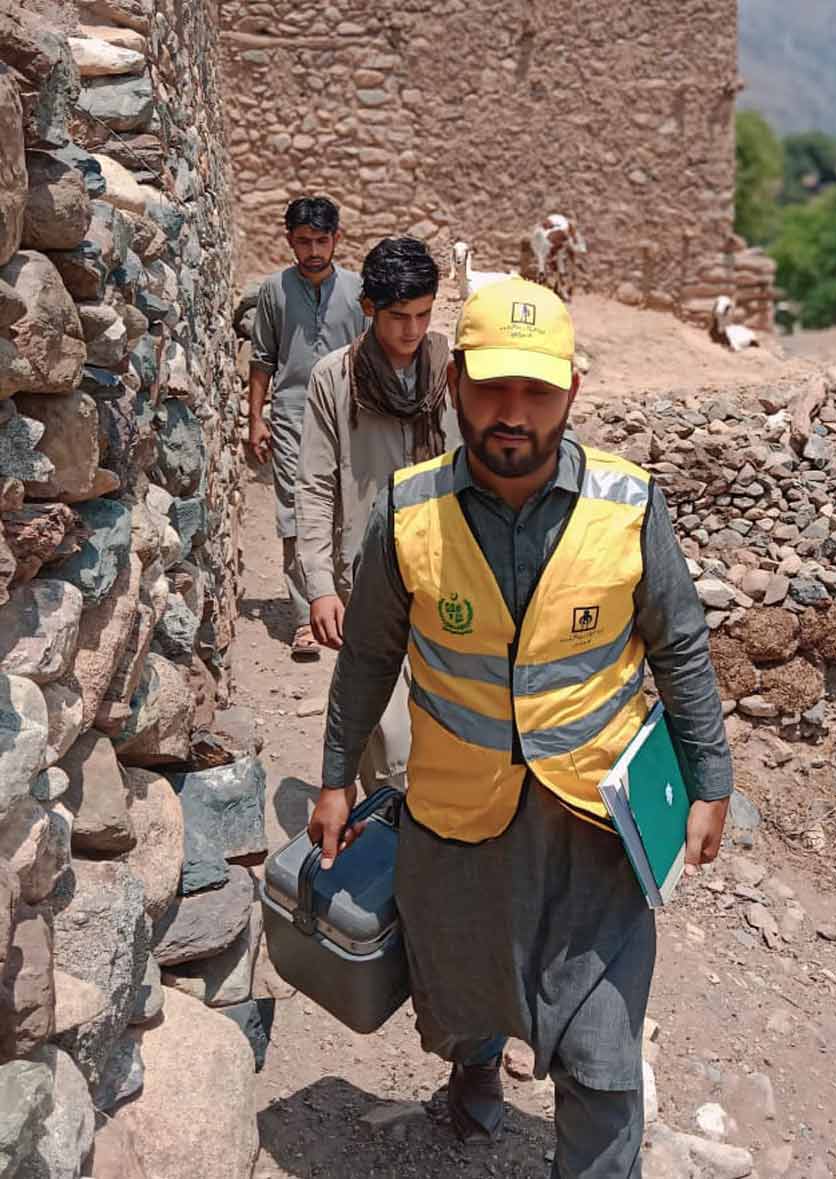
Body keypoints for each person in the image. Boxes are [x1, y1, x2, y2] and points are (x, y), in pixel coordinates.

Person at [309, 277, 733, 1177]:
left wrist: (711, 778)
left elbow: (682, 647)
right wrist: (337, 774)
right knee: (465, 990)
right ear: (455, 381)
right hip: (457, 821)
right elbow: (368, 657)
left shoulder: (628, 505)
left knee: (605, 1050)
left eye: (537, 392)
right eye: (494, 388)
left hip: (595, 830)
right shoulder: (409, 510)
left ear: (571, 394)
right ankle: (472, 1087)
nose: (513, 414)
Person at [295, 236, 457, 789]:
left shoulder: (453, 373)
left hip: (452, 571)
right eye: (397, 316)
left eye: (423, 315)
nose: (412, 330)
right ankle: (384, 842)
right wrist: (319, 585)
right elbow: (315, 486)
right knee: (387, 744)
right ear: (368, 308)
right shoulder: (334, 379)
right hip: (368, 576)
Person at [248, 195, 367, 660]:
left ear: (337, 239)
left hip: (350, 413)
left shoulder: (359, 290)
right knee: (295, 513)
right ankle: (304, 619)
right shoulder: (274, 291)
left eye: (321, 240)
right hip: (293, 414)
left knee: (349, 510)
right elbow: (263, 359)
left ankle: (347, 608)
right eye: (304, 242)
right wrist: (257, 418)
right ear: (290, 242)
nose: (313, 251)